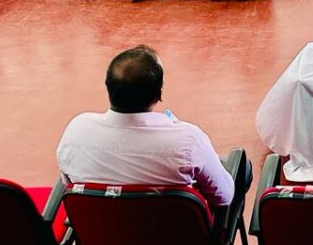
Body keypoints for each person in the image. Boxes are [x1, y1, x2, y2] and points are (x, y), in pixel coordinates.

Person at [56, 45, 237, 206]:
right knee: (240, 167)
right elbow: (223, 197)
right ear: (159, 94)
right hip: (171, 233)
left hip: (101, 233)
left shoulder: (76, 131)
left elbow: (69, 183)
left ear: (108, 88)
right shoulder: (188, 141)